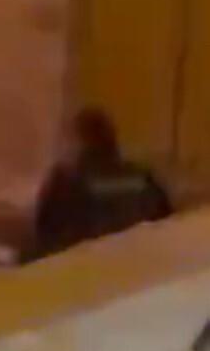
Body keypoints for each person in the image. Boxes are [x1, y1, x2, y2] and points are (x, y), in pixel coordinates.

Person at [33, 106, 172, 259]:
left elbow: (44, 234)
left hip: (83, 269)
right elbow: (165, 223)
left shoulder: (66, 180)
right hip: (139, 267)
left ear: (77, 143)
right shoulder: (142, 177)